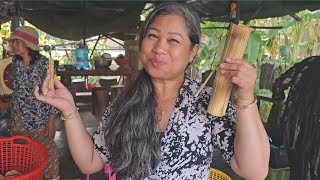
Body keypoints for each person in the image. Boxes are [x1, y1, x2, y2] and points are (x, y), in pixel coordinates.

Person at [35, 3, 269, 179]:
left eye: (173, 41)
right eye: (153, 36)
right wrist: (68, 108)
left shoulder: (207, 102)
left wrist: (245, 97)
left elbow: (254, 171)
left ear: (192, 52)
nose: (159, 49)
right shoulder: (124, 103)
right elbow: (91, 162)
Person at [9, 26, 60, 180]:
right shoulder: (15, 62)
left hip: (39, 117)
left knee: (47, 149)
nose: (13, 45)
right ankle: (26, 176)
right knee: (21, 150)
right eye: (12, 42)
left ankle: (52, 177)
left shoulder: (45, 64)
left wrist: (52, 121)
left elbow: (52, 93)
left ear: (28, 44)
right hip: (18, 116)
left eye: (17, 42)